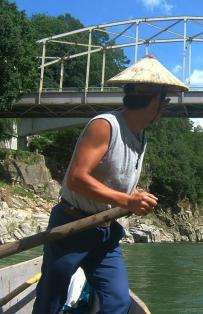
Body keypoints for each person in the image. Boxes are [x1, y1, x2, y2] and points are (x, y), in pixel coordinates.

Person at [32, 55, 188, 314]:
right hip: (71, 226)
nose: (166, 107)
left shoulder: (140, 136)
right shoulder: (105, 126)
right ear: (153, 100)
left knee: (117, 302)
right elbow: (77, 178)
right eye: (165, 99)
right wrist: (127, 201)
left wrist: (132, 194)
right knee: (51, 299)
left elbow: (113, 178)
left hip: (104, 232)